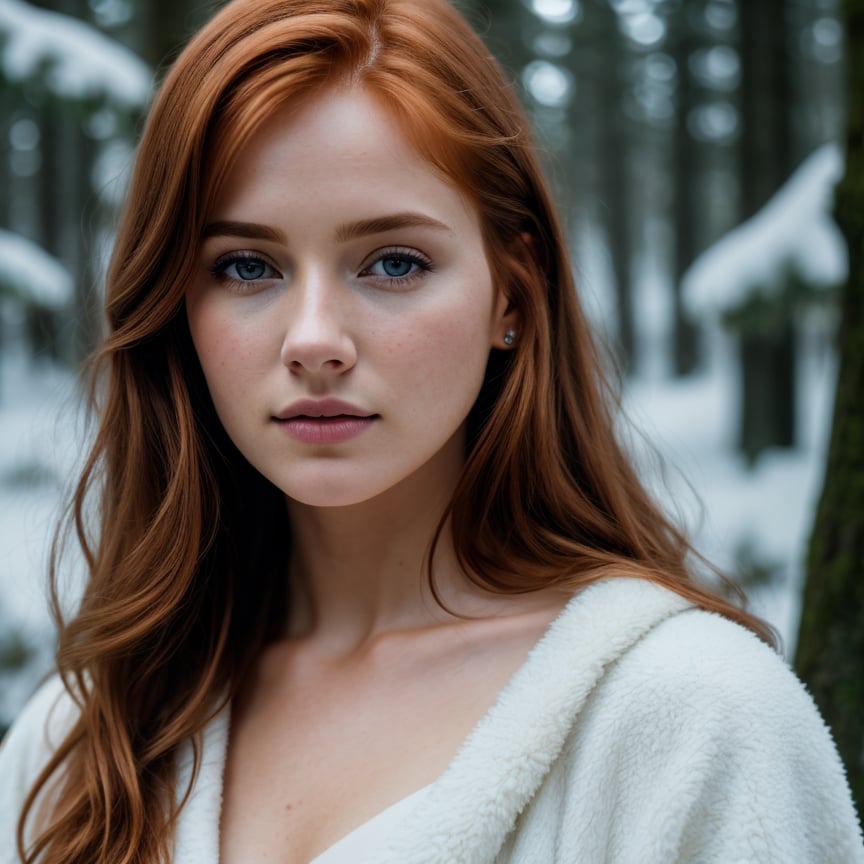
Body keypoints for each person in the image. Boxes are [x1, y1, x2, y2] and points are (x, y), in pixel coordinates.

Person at [1, 0, 862, 861]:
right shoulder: (82, 738)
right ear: (178, 307)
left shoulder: (688, 720)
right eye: (247, 266)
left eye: (393, 263)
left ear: (512, 295)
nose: (313, 341)